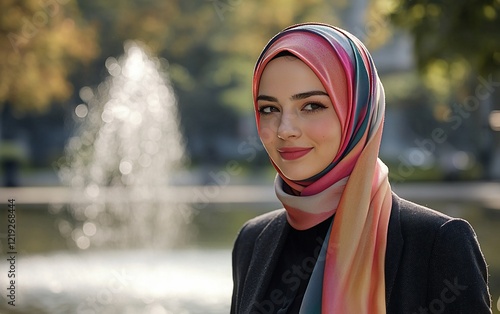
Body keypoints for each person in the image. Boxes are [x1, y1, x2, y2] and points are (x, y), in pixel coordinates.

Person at [230, 23, 491, 313]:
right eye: (269, 109)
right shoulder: (252, 241)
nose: (285, 129)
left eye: (312, 106)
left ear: (359, 112)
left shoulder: (438, 243)